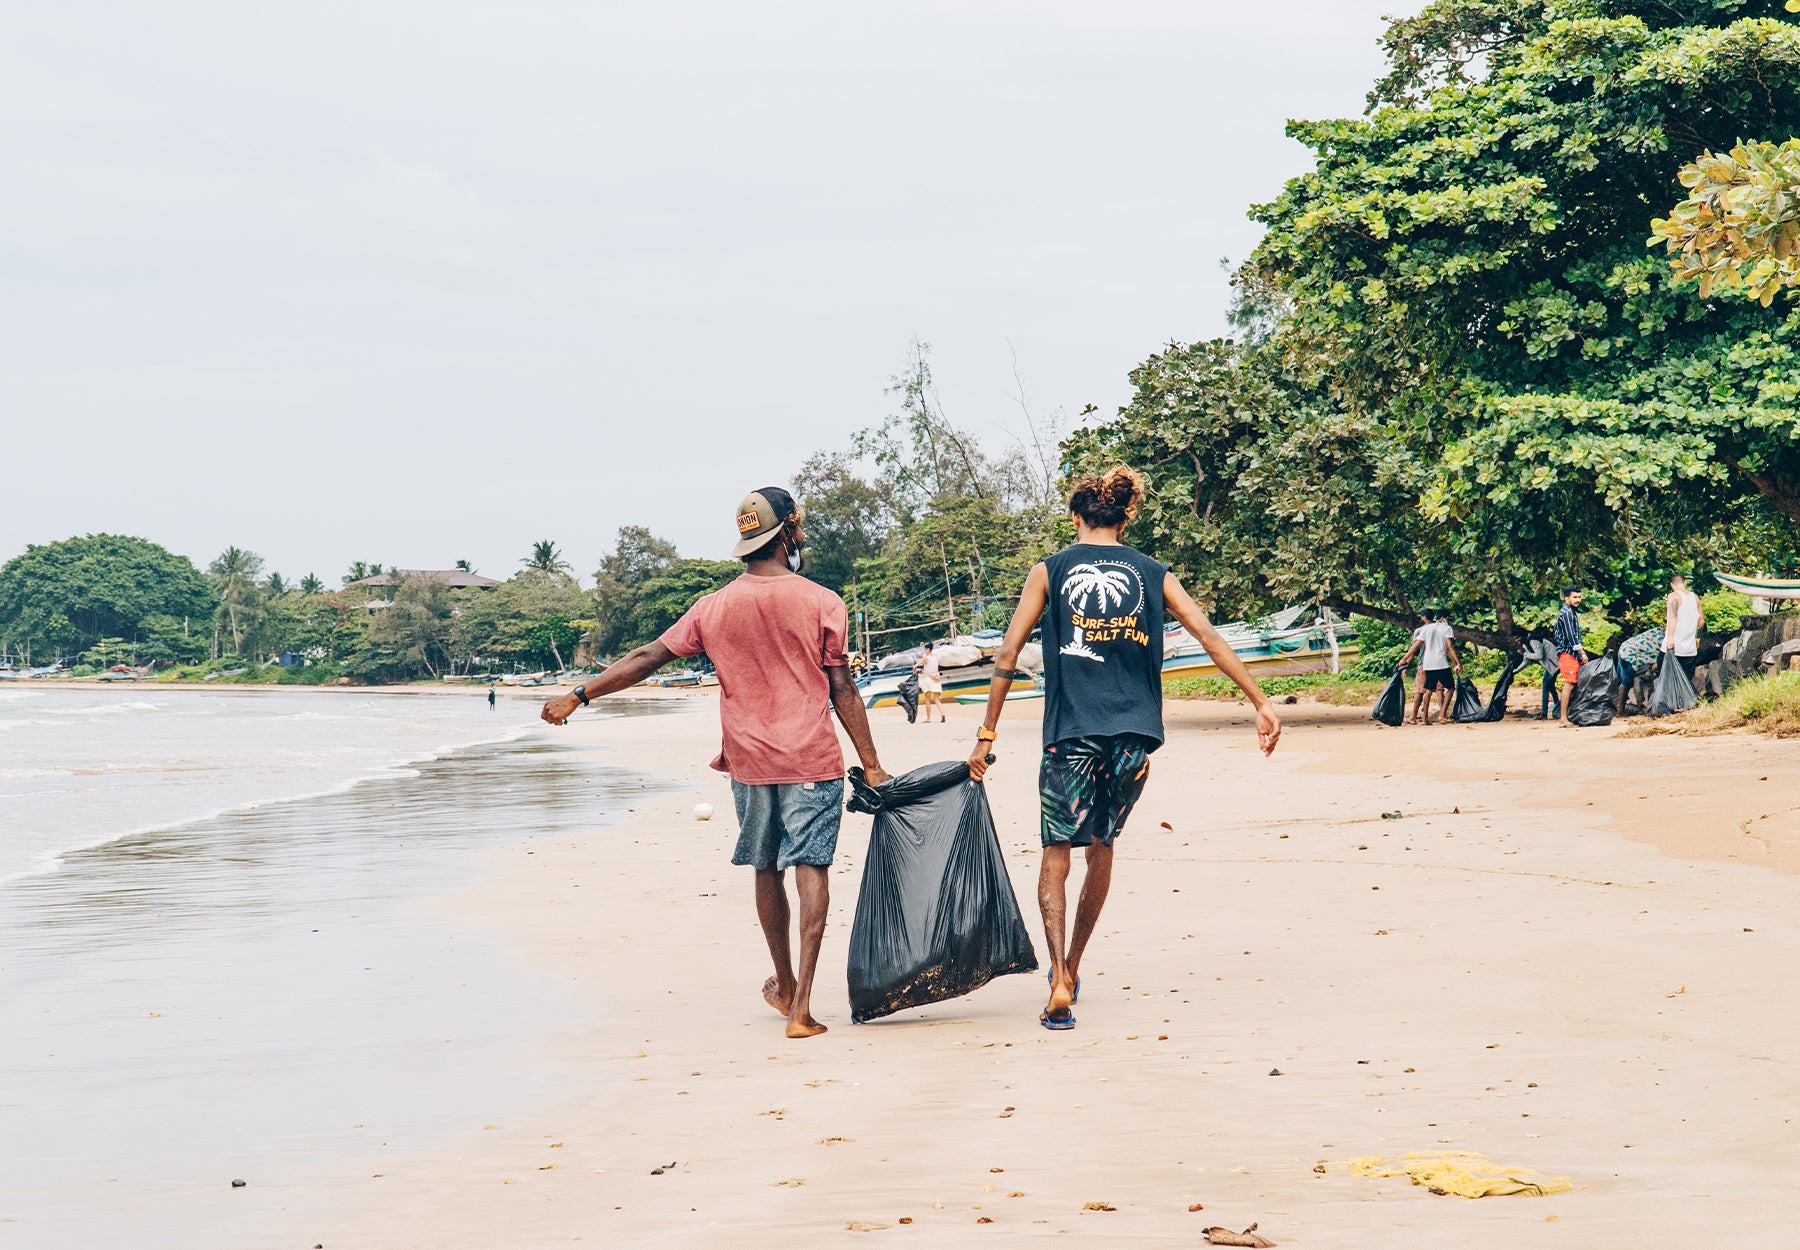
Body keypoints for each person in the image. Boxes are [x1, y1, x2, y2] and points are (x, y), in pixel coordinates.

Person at [541, 487, 891, 1039]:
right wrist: (872, 766)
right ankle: (801, 1009)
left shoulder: (713, 607)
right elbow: (842, 686)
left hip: (749, 762)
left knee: (766, 867)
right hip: (810, 757)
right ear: (791, 531)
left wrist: (579, 696)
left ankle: (783, 981)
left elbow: (647, 658)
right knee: (811, 867)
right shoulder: (823, 601)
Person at [965, 467, 1281, 1032]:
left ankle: (1060, 975)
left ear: (1075, 516)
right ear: (1125, 515)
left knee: (1056, 852)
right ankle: (1077, 964)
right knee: (1101, 848)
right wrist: (1259, 700)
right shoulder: (1154, 573)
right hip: (1134, 737)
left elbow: (1009, 654)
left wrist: (987, 732)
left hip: (1070, 734)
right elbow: (1207, 634)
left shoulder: (1050, 570)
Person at [1397, 609, 1461, 725]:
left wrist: (1404, 658)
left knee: (1428, 691)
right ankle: (1442, 715)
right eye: (1447, 619)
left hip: (1427, 665)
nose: (1448, 621)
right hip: (1441, 664)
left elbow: (1415, 646)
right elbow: (1450, 646)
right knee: (1450, 688)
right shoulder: (1446, 628)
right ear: (1442, 618)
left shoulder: (1426, 628)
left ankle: (1425, 718)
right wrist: (1457, 663)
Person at [1553, 586, 1588, 727]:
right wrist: (1582, 653)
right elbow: (1571, 637)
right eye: (1574, 597)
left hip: (1570, 653)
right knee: (1569, 683)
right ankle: (1563, 718)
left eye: (1579, 597)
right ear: (1566, 598)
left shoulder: (1570, 612)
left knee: (1573, 683)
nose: (1577, 600)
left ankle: (1567, 716)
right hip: (1568, 653)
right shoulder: (1567, 613)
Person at [1614, 624, 1665, 716]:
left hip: (1624, 648)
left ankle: (1613, 706)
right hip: (1630, 655)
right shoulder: (1664, 641)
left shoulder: (1658, 631)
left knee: (1619, 680)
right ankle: (1620, 710)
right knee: (1626, 683)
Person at [1664, 573, 1704, 686]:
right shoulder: (1694, 597)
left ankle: (1672, 703)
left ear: (1672, 585)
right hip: (1690, 649)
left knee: (1667, 680)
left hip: (1675, 647)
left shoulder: (1673, 596)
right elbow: (1701, 621)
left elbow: (1673, 618)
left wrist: (1670, 639)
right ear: (1685, 582)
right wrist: (1695, 637)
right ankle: (1685, 703)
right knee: (1686, 681)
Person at [914, 641, 945, 723]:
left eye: (925, 649)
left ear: (928, 649)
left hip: (928, 680)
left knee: (927, 699)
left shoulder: (926, 658)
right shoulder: (935, 658)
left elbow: (916, 665)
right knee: (936, 699)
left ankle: (928, 718)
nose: (924, 650)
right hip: (936, 678)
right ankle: (943, 713)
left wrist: (914, 670)